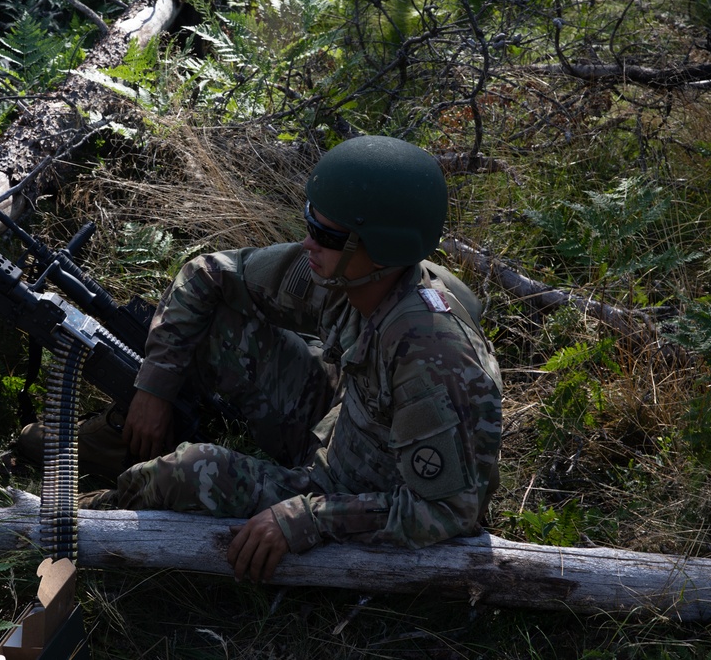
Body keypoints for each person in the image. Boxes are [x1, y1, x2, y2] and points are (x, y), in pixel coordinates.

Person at [81, 135, 503, 584]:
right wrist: (154, 388)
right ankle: (121, 441)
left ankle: (85, 517)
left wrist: (311, 517)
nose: (307, 243)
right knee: (220, 324)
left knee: (189, 472)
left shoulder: (432, 356)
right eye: (309, 222)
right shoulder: (348, 277)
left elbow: (451, 510)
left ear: (379, 248)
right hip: (338, 422)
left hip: (354, 489)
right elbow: (209, 275)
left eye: (325, 235)